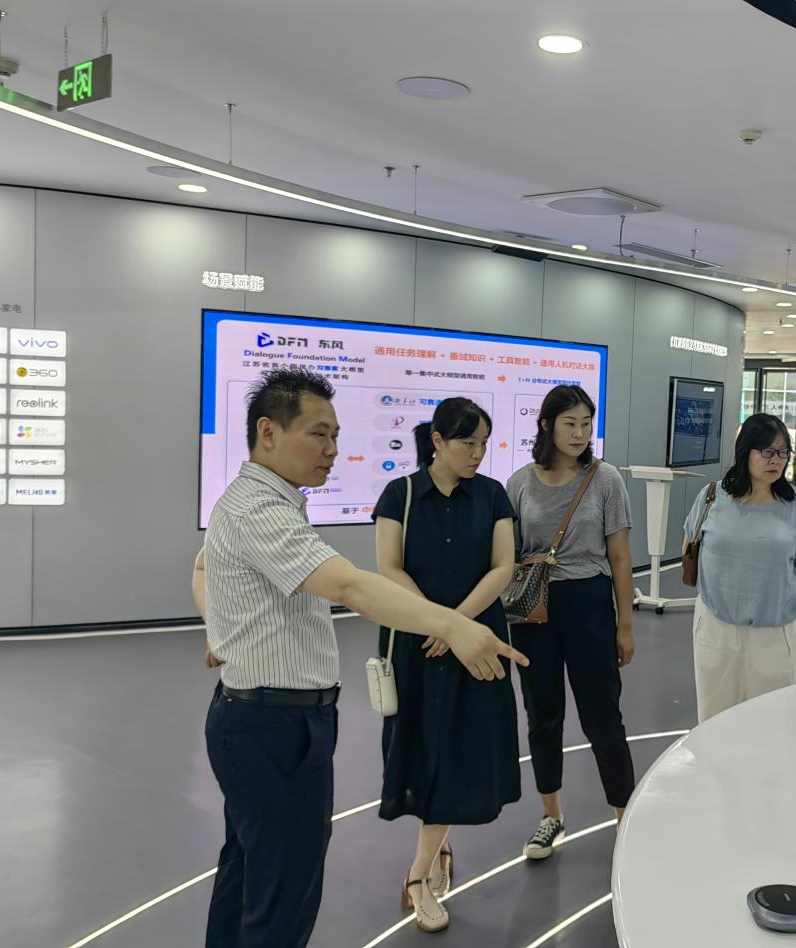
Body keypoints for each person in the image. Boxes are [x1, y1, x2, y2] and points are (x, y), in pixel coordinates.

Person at [191, 367, 527, 948]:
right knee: (280, 896)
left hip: (266, 718)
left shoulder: (262, 502)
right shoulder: (260, 511)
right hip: (274, 726)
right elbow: (351, 585)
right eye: (318, 435)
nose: (332, 450)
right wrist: (455, 625)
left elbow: (203, 566)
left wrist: (222, 627)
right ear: (268, 432)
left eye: (336, 436)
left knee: (248, 873)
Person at [372, 398, 520, 933]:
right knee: (425, 745)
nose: (477, 453)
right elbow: (388, 568)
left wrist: (456, 624)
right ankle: (434, 854)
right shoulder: (401, 494)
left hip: (476, 640)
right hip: (417, 641)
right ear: (437, 441)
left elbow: (503, 567)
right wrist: (436, 623)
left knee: (461, 746)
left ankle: (418, 874)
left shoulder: (493, 494)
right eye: (466, 443)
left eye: (483, 444)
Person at [505, 384, 636, 860]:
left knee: (603, 717)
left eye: (586, 424)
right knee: (543, 715)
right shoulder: (520, 483)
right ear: (546, 425)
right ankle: (551, 817)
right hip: (533, 608)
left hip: (589, 605)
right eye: (569, 424)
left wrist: (625, 625)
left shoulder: (606, 479)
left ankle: (626, 819)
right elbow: (509, 555)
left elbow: (619, 557)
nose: (580, 433)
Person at [683, 413, 796, 723]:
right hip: (716, 628)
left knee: (770, 722)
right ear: (745, 452)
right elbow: (690, 546)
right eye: (768, 451)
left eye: (783, 452)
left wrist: (766, 589)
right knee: (714, 720)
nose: (776, 460)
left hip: (773, 633)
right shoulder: (712, 497)